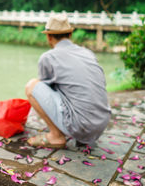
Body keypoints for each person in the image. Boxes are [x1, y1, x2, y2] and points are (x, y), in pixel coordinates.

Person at [26, 14, 111, 148]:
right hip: (101, 123)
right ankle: (83, 137)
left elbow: (44, 86)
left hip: (79, 125)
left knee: (32, 86)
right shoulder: (88, 53)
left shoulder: (48, 57)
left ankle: (56, 136)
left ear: (48, 36)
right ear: (70, 34)